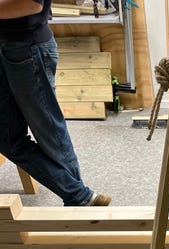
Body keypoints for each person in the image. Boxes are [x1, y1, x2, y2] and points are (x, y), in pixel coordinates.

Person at [0, 0, 111, 206]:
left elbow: (31, 4)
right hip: (7, 45)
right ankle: (80, 196)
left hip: (27, 47)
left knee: (50, 134)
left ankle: (81, 204)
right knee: (7, 139)